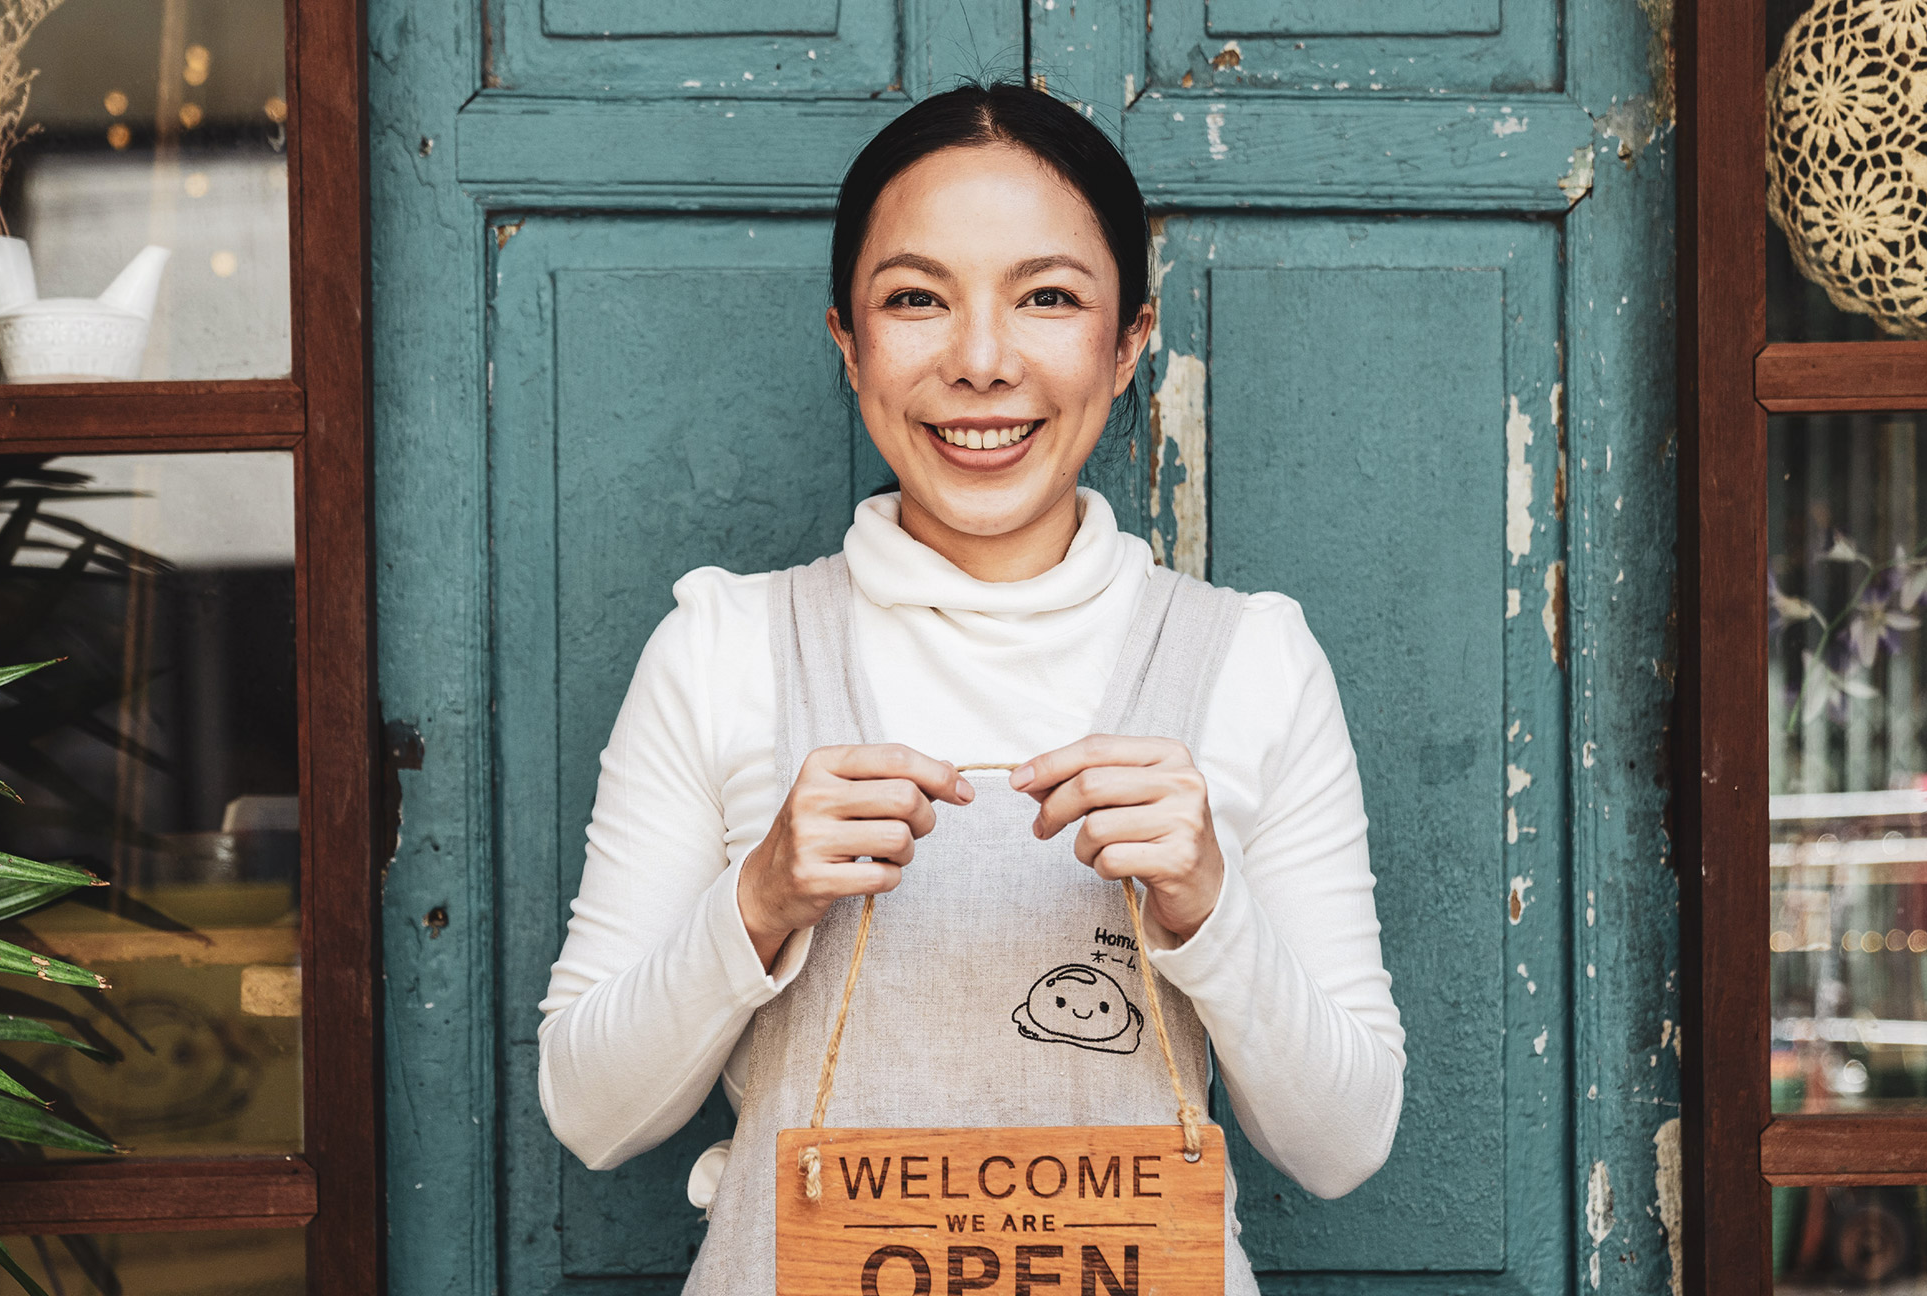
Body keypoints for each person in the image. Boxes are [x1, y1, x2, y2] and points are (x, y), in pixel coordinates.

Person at [536, 81, 1405, 1293]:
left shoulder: (1251, 661)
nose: (983, 362)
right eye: (915, 300)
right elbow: (591, 1111)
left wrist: (1210, 903)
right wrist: (763, 895)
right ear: (849, 341)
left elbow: (1345, 1143)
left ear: (1129, 342)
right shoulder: (723, 648)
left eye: (1048, 297)